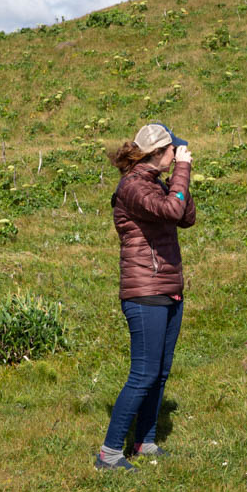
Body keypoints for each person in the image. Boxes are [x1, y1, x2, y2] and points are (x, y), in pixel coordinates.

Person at [95, 123, 195, 471]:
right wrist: (182, 171)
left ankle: (145, 441)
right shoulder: (133, 187)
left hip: (168, 288)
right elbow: (170, 211)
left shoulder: (155, 183)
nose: (178, 155)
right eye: (173, 151)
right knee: (143, 373)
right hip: (145, 292)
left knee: (160, 372)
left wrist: (179, 178)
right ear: (157, 153)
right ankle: (109, 454)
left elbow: (185, 216)